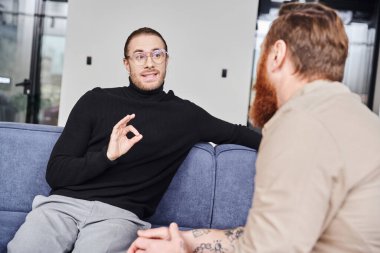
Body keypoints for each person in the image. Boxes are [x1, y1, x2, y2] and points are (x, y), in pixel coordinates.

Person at [127, 3, 380, 253]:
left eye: (263, 53)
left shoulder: (301, 123)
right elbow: (268, 235)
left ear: (277, 54)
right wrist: (187, 240)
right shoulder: (357, 118)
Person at [7, 27, 262, 253]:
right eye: (139, 56)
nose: (149, 62)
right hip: (61, 207)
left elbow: (238, 133)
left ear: (166, 60)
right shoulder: (95, 101)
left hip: (118, 217)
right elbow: (56, 173)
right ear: (127, 64)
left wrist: (289, 143)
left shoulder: (186, 115)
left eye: (157, 54)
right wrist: (107, 156)